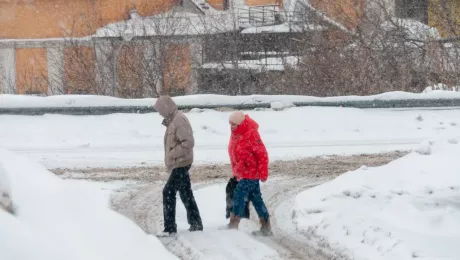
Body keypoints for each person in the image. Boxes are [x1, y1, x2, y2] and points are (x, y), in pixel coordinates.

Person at [154, 96, 203, 237]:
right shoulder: (172, 120)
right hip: (179, 162)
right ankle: (196, 223)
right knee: (185, 193)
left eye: (160, 110)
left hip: (181, 163)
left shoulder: (179, 120)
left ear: (166, 107)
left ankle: (170, 228)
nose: (159, 113)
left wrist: (172, 154)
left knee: (168, 192)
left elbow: (188, 142)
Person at [226, 111, 272, 236]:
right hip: (244, 173)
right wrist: (236, 171)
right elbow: (235, 155)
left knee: (238, 196)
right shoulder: (236, 135)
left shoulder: (251, 134)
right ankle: (266, 226)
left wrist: (263, 173)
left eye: (234, 124)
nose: (231, 127)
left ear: (241, 124)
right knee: (256, 199)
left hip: (250, 173)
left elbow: (262, 154)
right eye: (230, 124)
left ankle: (234, 224)